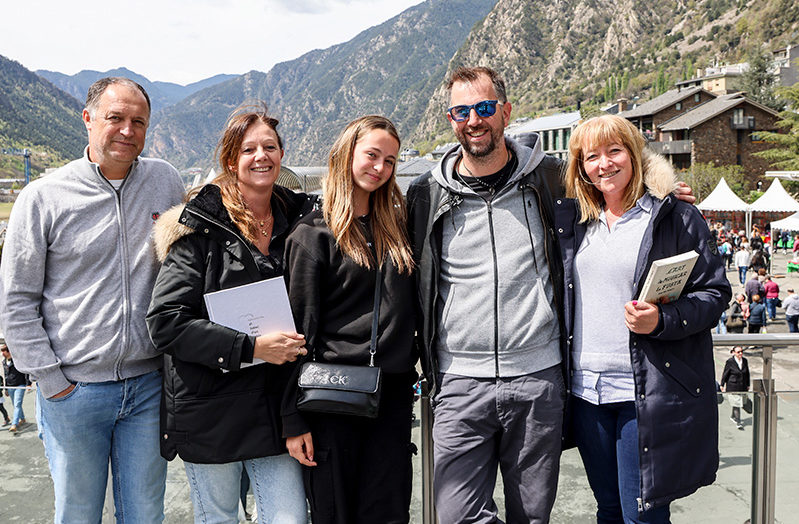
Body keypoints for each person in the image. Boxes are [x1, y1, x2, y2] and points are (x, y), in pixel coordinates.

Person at [0, 77, 185, 523]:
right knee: (78, 514)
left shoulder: (165, 181)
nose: (127, 130)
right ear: (88, 118)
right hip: (74, 392)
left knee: (145, 514)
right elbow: (15, 301)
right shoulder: (42, 197)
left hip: (148, 388)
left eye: (138, 121)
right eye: (115, 118)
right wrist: (52, 381)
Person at [406, 66, 569, 522]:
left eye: (483, 108)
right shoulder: (426, 194)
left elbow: (618, 187)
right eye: (461, 111)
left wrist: (665, 192)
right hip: (459, 382)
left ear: (506, 112)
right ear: (450, 119)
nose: (473, 120)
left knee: (531, 517)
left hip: (537, 378)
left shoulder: (550, 178)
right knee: (457, 516)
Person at [555, 114, 730, 522]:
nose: (604, 164)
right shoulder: (575, 221)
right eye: (591, 156)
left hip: (644, 392)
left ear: (635, 156)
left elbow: (715, 293)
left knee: (643, 514)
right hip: (586, 393)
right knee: (608, 509)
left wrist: (662, 320)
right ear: (580, 166)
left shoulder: (674, 217)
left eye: (614, 151)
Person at [146, 106, 311, 524]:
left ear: (282, 154)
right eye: (249, 149)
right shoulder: (198, 230)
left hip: (276, 408)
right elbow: (165, 321)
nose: (261, 156)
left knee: (290, 518)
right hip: (211, 410)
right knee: (219, 518)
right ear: (231, 161)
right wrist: (251, 347)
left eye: (269, 147)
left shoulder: (302, 222)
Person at [284, 115, 417, 523]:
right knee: (335, 513)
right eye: (372, 155)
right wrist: (293, 420)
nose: (380, 168)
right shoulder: (313, 235)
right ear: (346, 154)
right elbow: (296, 334)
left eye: (390, 161)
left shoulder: (398, 227)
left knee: (390, 514)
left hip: (392, 397)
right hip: (333, 397)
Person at [0, 345, 29, 433]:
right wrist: (6, 388)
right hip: (10, 386)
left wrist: (28, 383)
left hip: (20, 385)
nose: (2, 353)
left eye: (3, 351)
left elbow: (25, 371)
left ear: (9, 351)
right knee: (15, 404)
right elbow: (5, 375)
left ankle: (14, 424)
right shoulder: (4, 362)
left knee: (17, 404)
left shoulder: (17, 360)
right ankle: (22, 418)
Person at [720, 346, 751, 429]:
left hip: (742, 386)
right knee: (737, 404)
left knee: (738, 402)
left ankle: (733, 416)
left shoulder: (745, 361)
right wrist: (722, 384)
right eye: (738, 352)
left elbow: (747, 373)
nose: (740, 353)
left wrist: (748, 384)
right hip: (733, 386)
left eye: (741, 351)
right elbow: (725, 373)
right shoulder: (730, 362)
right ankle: (738, 422)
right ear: (733, 353)